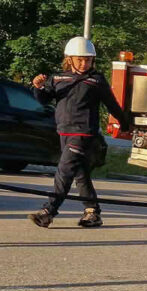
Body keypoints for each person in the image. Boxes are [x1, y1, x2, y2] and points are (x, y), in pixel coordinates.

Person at [28, 37, 133, 228]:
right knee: (80, 173)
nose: (84, 63)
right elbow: (43, 100)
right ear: (69, 59)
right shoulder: (58, 78)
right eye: (80, 59)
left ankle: (48, 211)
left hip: (84, 133)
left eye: (88, 60)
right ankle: (92, 212)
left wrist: (125, 124)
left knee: (64, 170)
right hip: (63, 132)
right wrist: (38, 87)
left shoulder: (96, 80)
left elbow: (112, 105)